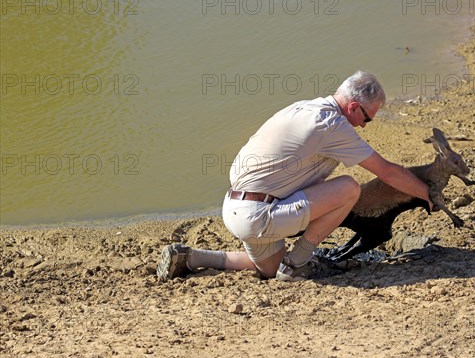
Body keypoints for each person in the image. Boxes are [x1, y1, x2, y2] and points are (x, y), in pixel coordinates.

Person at [157, 71, 433, 282]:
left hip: (234, 207)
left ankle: (190, 257)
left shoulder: (303, 107)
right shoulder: (333, 125)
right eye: (367, 119)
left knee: (269, 268)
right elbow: (386, 171)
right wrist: (427, 193)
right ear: (353, 108)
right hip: (260, 214)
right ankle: (299, 261)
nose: (364, 125)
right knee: (349, 188)